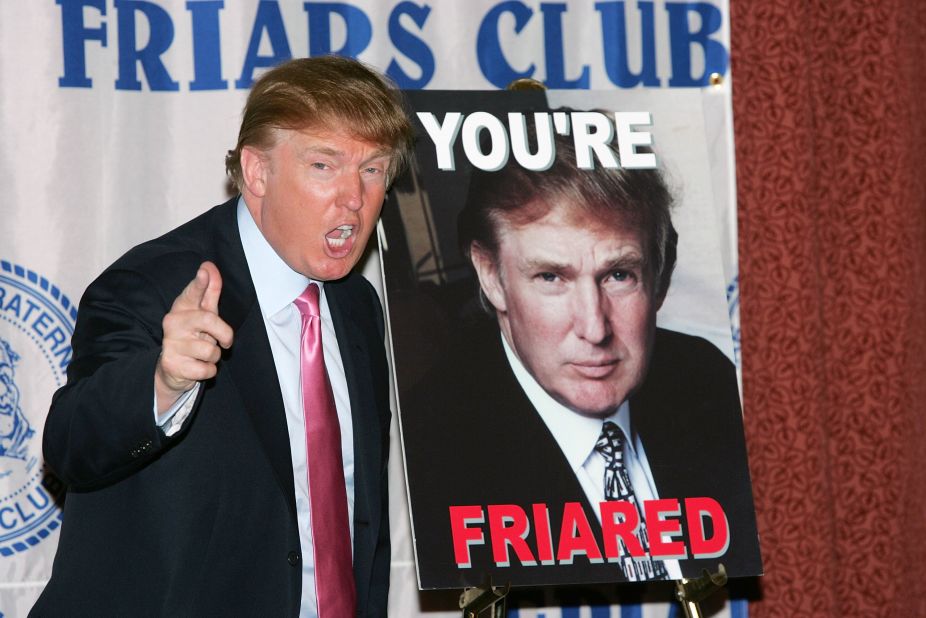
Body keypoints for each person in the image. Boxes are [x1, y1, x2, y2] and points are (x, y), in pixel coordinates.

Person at [32, 56, 413, 617]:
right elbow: (70, 445)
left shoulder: (357, 305)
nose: (354, 199)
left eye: (373, 169)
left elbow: (358, 520)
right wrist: (162, 383)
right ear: (257, 172)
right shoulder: (155, 285)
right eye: (324, 166)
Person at [399, 111, 761, 589]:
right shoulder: (425, 455)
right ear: (492, 277)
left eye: (618, 275)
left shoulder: (706, 379)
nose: (594, 328)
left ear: (659, 274)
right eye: (551, 277)